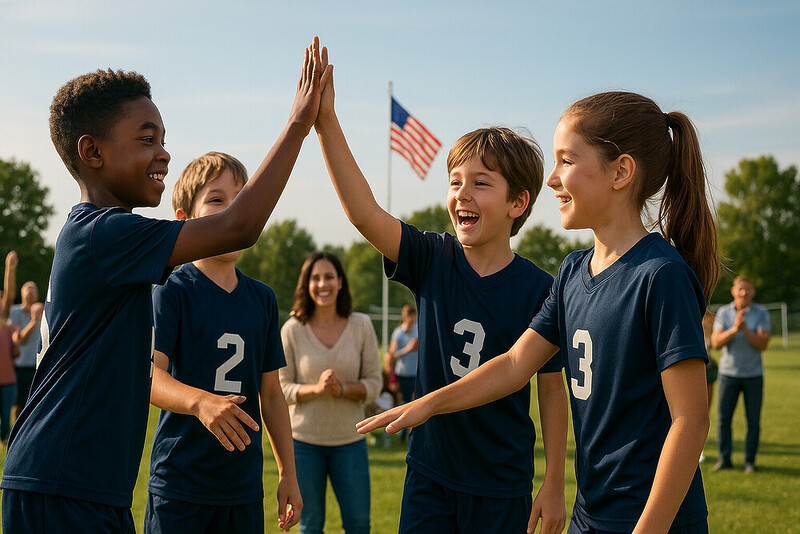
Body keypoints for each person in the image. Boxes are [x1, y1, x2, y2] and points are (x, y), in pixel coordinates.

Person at [1, 37, 331, 533]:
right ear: (91, 151)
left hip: (85, 484)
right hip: (62, 481)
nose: (164, 152)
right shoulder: (102, 232)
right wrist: (299, 123)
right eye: (146, 139)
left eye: (162, 138)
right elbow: (238, 226)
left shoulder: (114, 239)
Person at [359, 91, 719, 534]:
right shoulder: (571, 272)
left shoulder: (661, 275)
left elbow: (691, 419)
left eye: (567, 161)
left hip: (652, 521)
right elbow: (513, 364)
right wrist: (429, 404)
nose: (552, 178)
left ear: (621, 172)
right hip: (590, 514)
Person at [314, 54, 569, 534]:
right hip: (430, 472)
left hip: (500, 483)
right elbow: (364, 213)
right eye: (455, 182)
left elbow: (551, 391)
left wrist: (554, 482)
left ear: (519, 203)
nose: (462, 194)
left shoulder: (541, 288)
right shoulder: (434, 257)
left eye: (480, 183)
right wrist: (327, 123)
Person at [145, 152, 301, 533]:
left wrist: (287, 473)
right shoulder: (172, 290)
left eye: (241, 200)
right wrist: (201, 402)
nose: (232, 212)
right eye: (217, 200)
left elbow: (272, 394)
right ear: (184, 218)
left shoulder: (262, 298)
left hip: (242, 488)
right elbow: (149, 375)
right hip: (180, 484)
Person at [279, 251, 382, 534]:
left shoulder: (361, 326)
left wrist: (343, 389)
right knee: (310, 526)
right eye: (315, 278)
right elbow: (282, 389)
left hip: (350, 441)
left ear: (340, 283)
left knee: (359, 524)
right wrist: (316, 389)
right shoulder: (292, 330)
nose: (322, 284)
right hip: (303, 444)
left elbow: (375, 384)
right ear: (306, 285)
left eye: (329, 277)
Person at [711, 276, 770, 474]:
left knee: (753, 420)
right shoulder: (724, 313)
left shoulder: (761, 313)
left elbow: (763, 344)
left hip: (753, 375)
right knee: (723, 419)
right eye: (740, 289)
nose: (744, 293)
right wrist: (735, 329)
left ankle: (749, 462)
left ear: (752, 292)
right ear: (733, 291)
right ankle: (724, 458)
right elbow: (716, 342)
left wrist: (745, 330)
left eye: (748, 289)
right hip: (729, 375)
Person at [385, 304, 418, 441]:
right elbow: (392, 354)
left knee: (417, 402)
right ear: (406, 316)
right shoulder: (399, 332)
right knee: (404, 402)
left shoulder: (418, 330)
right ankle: (402, 432)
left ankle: (414, 433)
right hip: (403, 373)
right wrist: (408, 349)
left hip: (417, 372)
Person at [9, 281, 42, 417]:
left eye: (32, 295)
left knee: (37, 403)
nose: (30, 298)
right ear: (22, 296)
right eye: (27, 295)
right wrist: (34, 321)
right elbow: (20, 340)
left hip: (38, 367)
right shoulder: (14, 312)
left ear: (37, 296)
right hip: (20, 368)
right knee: (19, 404)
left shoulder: (44, 312)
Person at [0, 251, 19, 446]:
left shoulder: (4, 322)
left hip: (7, 380)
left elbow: (10, 294)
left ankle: (4, 442)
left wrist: (10, 269)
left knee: (6, 417)